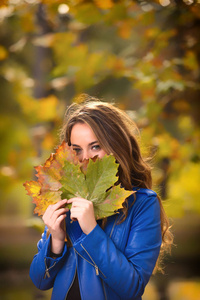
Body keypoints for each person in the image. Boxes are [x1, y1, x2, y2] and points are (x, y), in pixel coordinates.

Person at [29, 94, 173, 300]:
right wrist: (56, 241)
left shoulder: (142, 203)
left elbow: (132, 287)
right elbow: (40, 281)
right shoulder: (64, 195)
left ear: (115, 146)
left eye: (95, 146)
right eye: (77, 149)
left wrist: (91, 231)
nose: (85, 157)